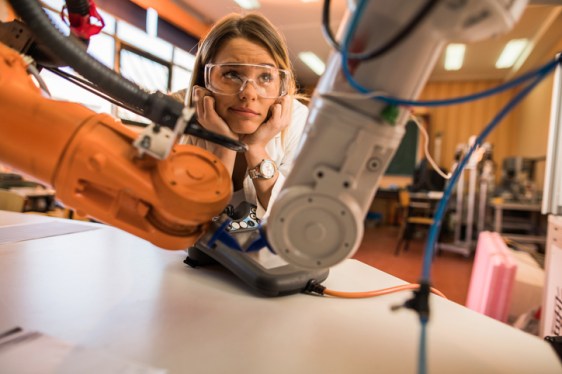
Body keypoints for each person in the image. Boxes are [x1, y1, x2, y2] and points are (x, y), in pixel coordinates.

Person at [174, 13, 308, 219]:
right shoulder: (177, 113)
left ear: (280, 83)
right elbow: (186, 218)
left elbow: (292, 218)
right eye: (232, 74)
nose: (249, 93)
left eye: (265, 77)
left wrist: (256, 149)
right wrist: (224, 147)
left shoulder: (297, 120)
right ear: (204, 79)